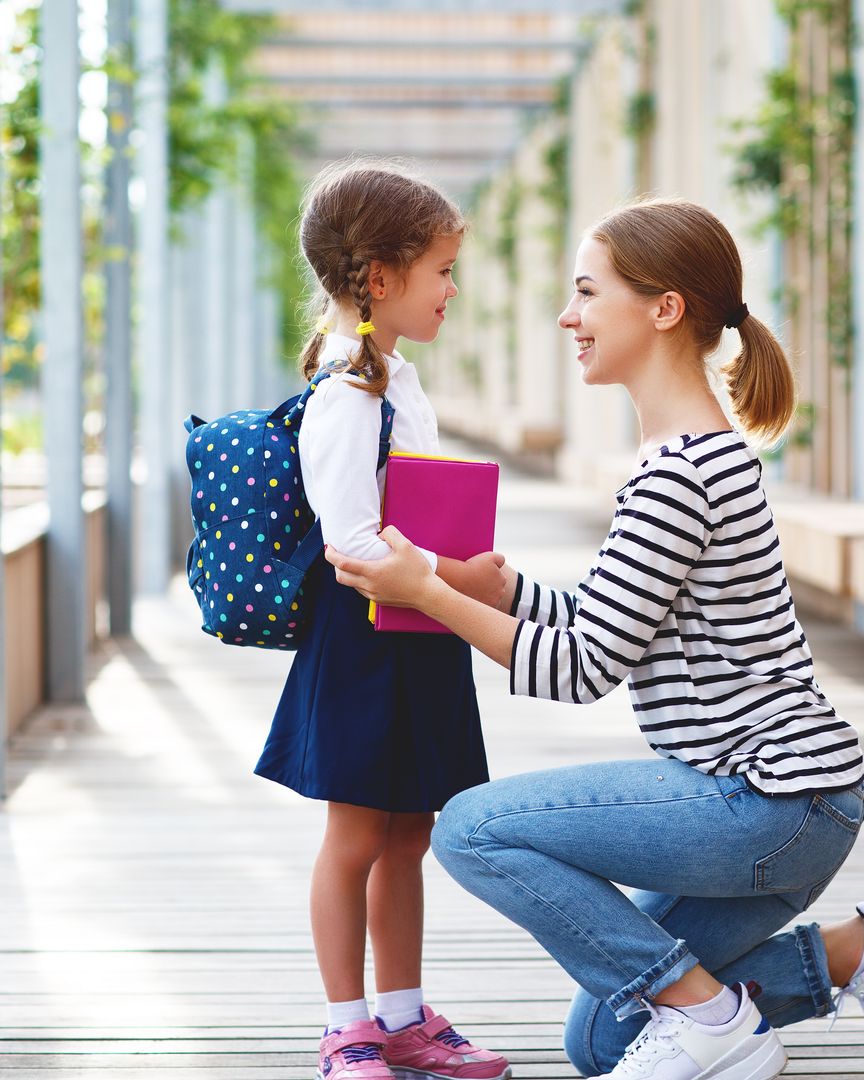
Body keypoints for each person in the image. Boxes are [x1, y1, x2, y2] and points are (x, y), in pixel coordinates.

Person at [324, 198, 864, 1080]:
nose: (567, 316)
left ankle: (707, 1015)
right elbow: (616, 620)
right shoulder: (693, 457)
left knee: (469, 829)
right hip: (795, 804)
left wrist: (425, 590)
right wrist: (505, 591)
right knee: (603, 1040)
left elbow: (582, 669)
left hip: (765, 802)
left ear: (664, 310)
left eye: (586, 293)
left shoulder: (679, 475)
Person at [254, 160, 512, 1080]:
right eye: (441, 268)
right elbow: (352, 544)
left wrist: (450, 579)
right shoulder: (346, 395)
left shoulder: (394, 380)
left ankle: (404, 1017)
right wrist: (460, 576)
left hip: (414, 635)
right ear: (379, 279)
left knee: (409, 833)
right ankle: (345, 1026)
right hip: (366, 640)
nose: (451, 288)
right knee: (356, 837)